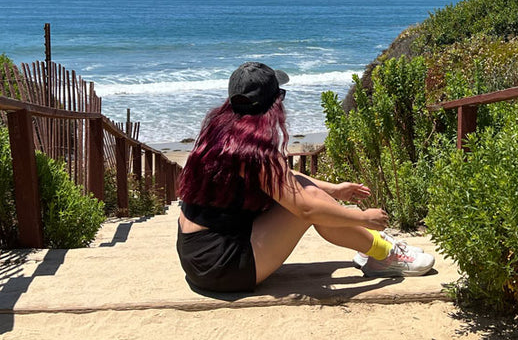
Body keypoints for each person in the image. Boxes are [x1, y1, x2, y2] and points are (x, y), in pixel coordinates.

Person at [176, 61, 435, 293]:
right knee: (309, 202)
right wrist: (364, 218)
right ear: (272, 103)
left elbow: (282, 176)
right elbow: (308, 210)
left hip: (196, 255)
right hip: (221, 267)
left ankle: (377, 249)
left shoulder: (221, 133)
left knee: (310, 194)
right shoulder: (254, 153)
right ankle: (383, 253)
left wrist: (334, 189)